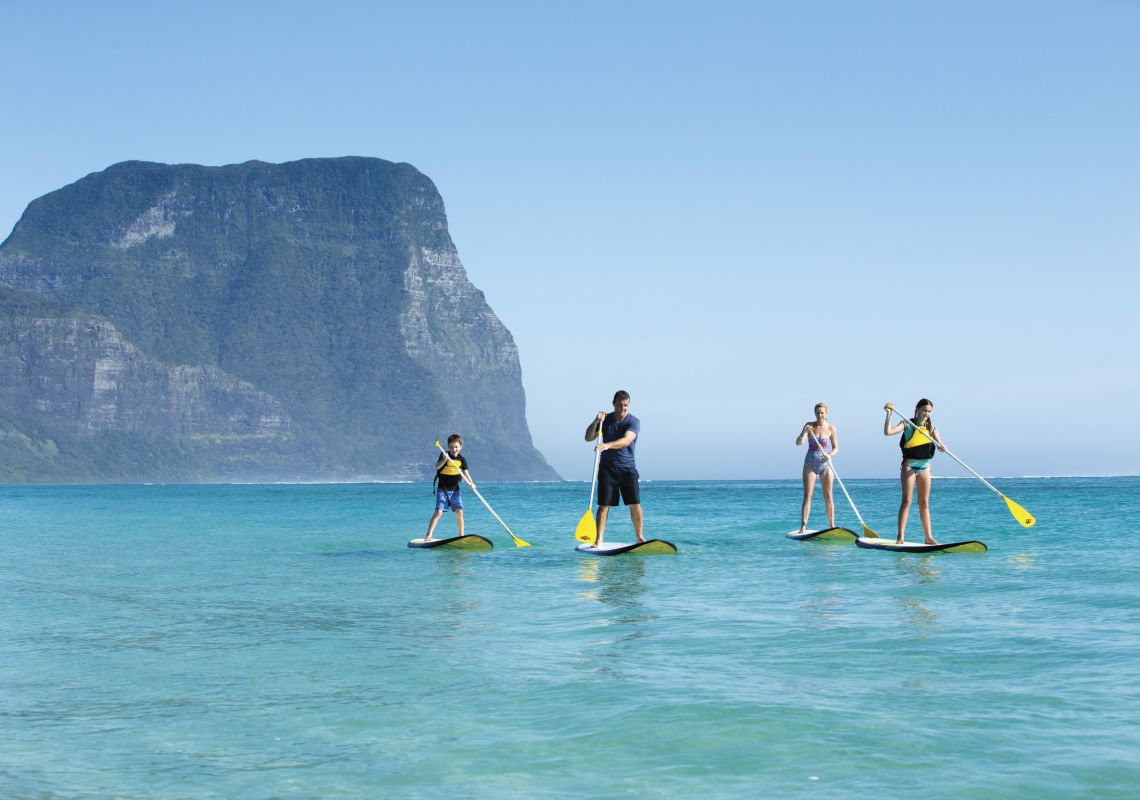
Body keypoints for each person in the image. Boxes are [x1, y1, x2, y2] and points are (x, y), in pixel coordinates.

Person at [584, 390, 642, 547]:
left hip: (627, 468)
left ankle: (639, 537)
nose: (622, 408)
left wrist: (607, 445)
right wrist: (596, 421)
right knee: (604, 506)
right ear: (613, 404)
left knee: (635, 504)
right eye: (619, 405)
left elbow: (626, 440)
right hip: (607, 469)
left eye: (625, 405)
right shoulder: (606, 420)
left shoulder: (633, 422)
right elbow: (588, 438)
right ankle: (599, 539)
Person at [883, 399, 946, 545]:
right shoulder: (906, 424)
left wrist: (942, 446)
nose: (926, 414)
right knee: (907, 501)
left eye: (929, 411)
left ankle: (928, 537)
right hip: (909, 466)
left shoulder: (932, 428)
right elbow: (887, 432)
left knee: (924, 503)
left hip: (925, 467)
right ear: (917, 409)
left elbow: (940, 445)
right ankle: (900, 537)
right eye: (924, 410)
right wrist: (888, 414)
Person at [795, 402, 840, 533]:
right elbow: (798, 443)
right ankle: (803, 525)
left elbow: (837, 448)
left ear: (826, 414)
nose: (820, 415)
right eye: (817, 412)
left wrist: (831, 455)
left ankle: (832, 526)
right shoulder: (809, 426)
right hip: (810, 462)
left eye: (822, 412)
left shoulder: (831, 428)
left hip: (825, 463)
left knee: (828, 496)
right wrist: (804, 432)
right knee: (808, 496)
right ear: (815, 413)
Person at [424, 434, 475, 541]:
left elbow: (466, 473)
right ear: (448, 447)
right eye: (451, 447)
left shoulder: (462, 459)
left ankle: (461, 537)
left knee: (459, 511)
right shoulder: (444, 455)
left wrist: (471, 483)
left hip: (455, 490)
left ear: (461, 446)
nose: (454, 449)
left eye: (456, 447)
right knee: (439, 512)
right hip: (443, 489)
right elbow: (437, 467)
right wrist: (444, 460)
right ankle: (428, 535)